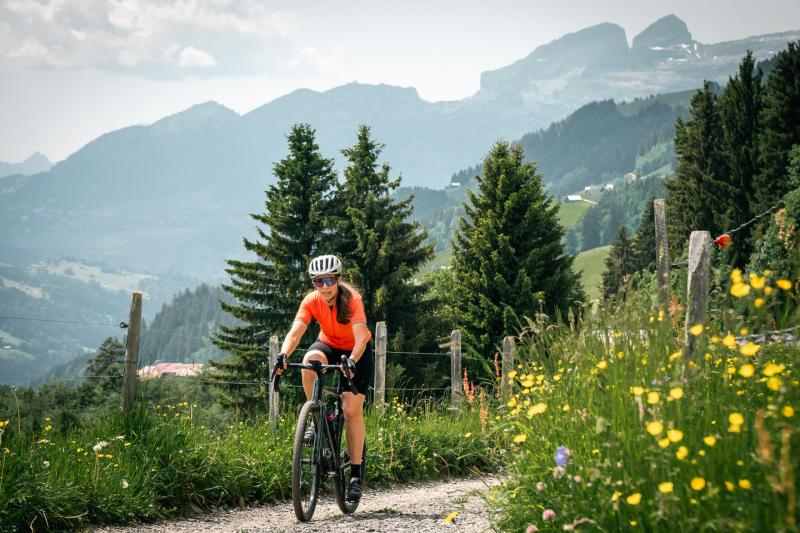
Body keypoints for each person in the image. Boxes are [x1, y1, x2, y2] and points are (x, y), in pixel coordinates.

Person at [274, 254, 373, 502]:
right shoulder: (311, 301)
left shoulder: (351, 300)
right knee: (308, 364)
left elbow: (361, 337)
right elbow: (295, 333)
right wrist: (283, 354)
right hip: (328, 344)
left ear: (338, 279)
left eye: (329, 280)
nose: (325, 287)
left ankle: (356, 475)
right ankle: (318, 415)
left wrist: (351, 360)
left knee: (351, 411)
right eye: (319, 282)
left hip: (356, 351)